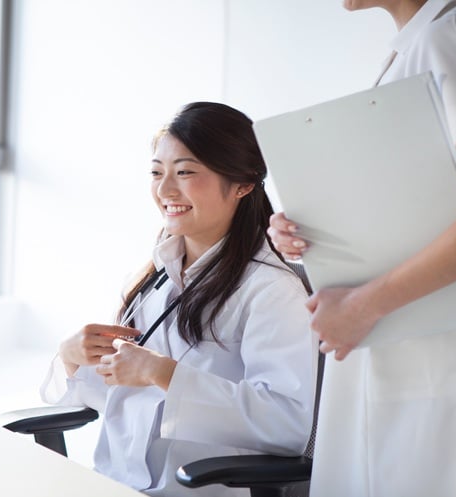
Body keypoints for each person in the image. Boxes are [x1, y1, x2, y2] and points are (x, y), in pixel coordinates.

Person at [267, 1, 456, 495]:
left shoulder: (452, 33)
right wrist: (309, 229)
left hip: (451, 352)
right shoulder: (416, 46)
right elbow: (422, 206)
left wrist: (363, 306)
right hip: (407, 342)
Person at [40, 102, 317, 496]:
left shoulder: (271, 290)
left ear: (242, 184)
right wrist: (71, 358)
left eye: (185, 172)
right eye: (157, 172)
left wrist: (164, 374)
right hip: (113, 482)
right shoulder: (152, 278)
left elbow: (285, 425)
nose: (165, 190)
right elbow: (120, 398)